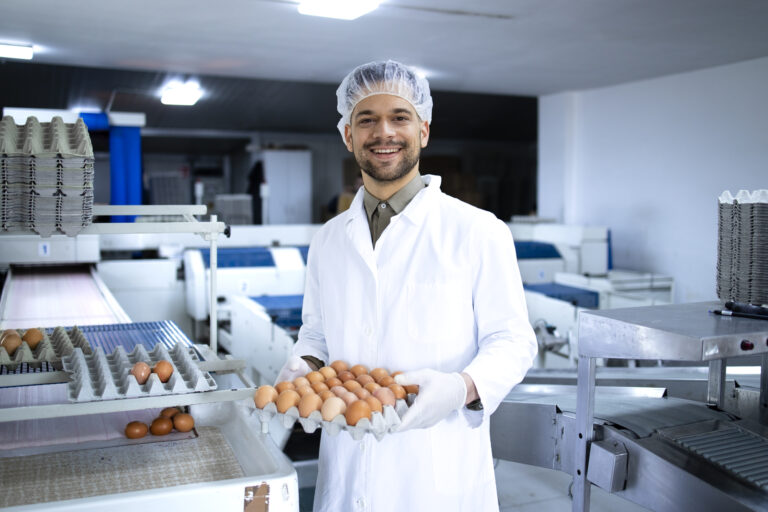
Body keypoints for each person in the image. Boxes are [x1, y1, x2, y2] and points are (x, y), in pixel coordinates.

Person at [276, 60, 537, 512]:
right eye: (367, 119)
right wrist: (304, 363)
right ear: (348, 135)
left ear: (424, 131)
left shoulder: (477, 231)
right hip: (347, 468)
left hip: (437, 476)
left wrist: (462, 387)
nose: (384, 133)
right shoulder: (328, 240)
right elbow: (317, 331)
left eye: (400, 117)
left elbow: (513, 340)